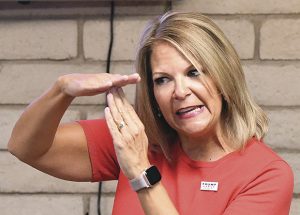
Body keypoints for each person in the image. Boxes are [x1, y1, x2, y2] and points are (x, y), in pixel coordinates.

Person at [8, 12, 293, 215]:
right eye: (162, 80)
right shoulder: (137, 140)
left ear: (224, 77)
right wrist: (62, 90)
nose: (180, 91)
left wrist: (141, 174)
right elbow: (26, 147)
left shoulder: (267, 175)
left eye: (194, 72)